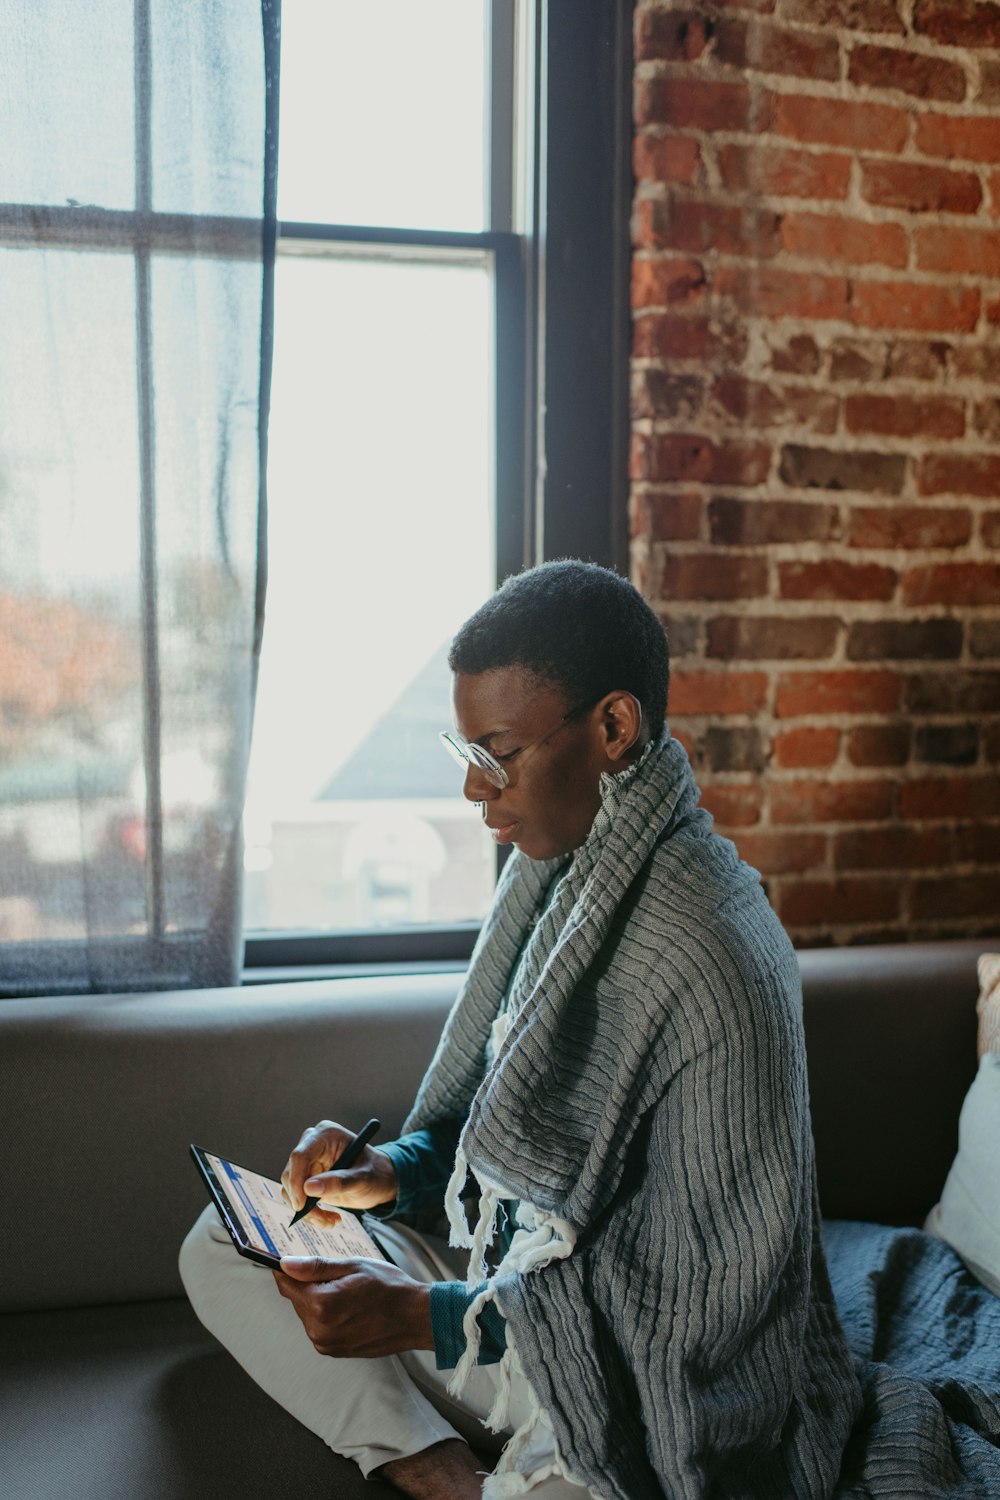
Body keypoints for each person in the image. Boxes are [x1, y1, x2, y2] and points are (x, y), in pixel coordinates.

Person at [181, 560, 861, 1499]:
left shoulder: (716, 950)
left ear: (613, 728)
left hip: (636, 1379)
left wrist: (433, 1317)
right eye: (463, 753)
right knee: (221, 1246)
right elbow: (506, 1139)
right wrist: (396, 1173)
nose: (472, 790)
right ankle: (439, 1468)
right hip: (514, 1302)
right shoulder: (558, 880)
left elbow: (701, 1316)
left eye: (494, 754)